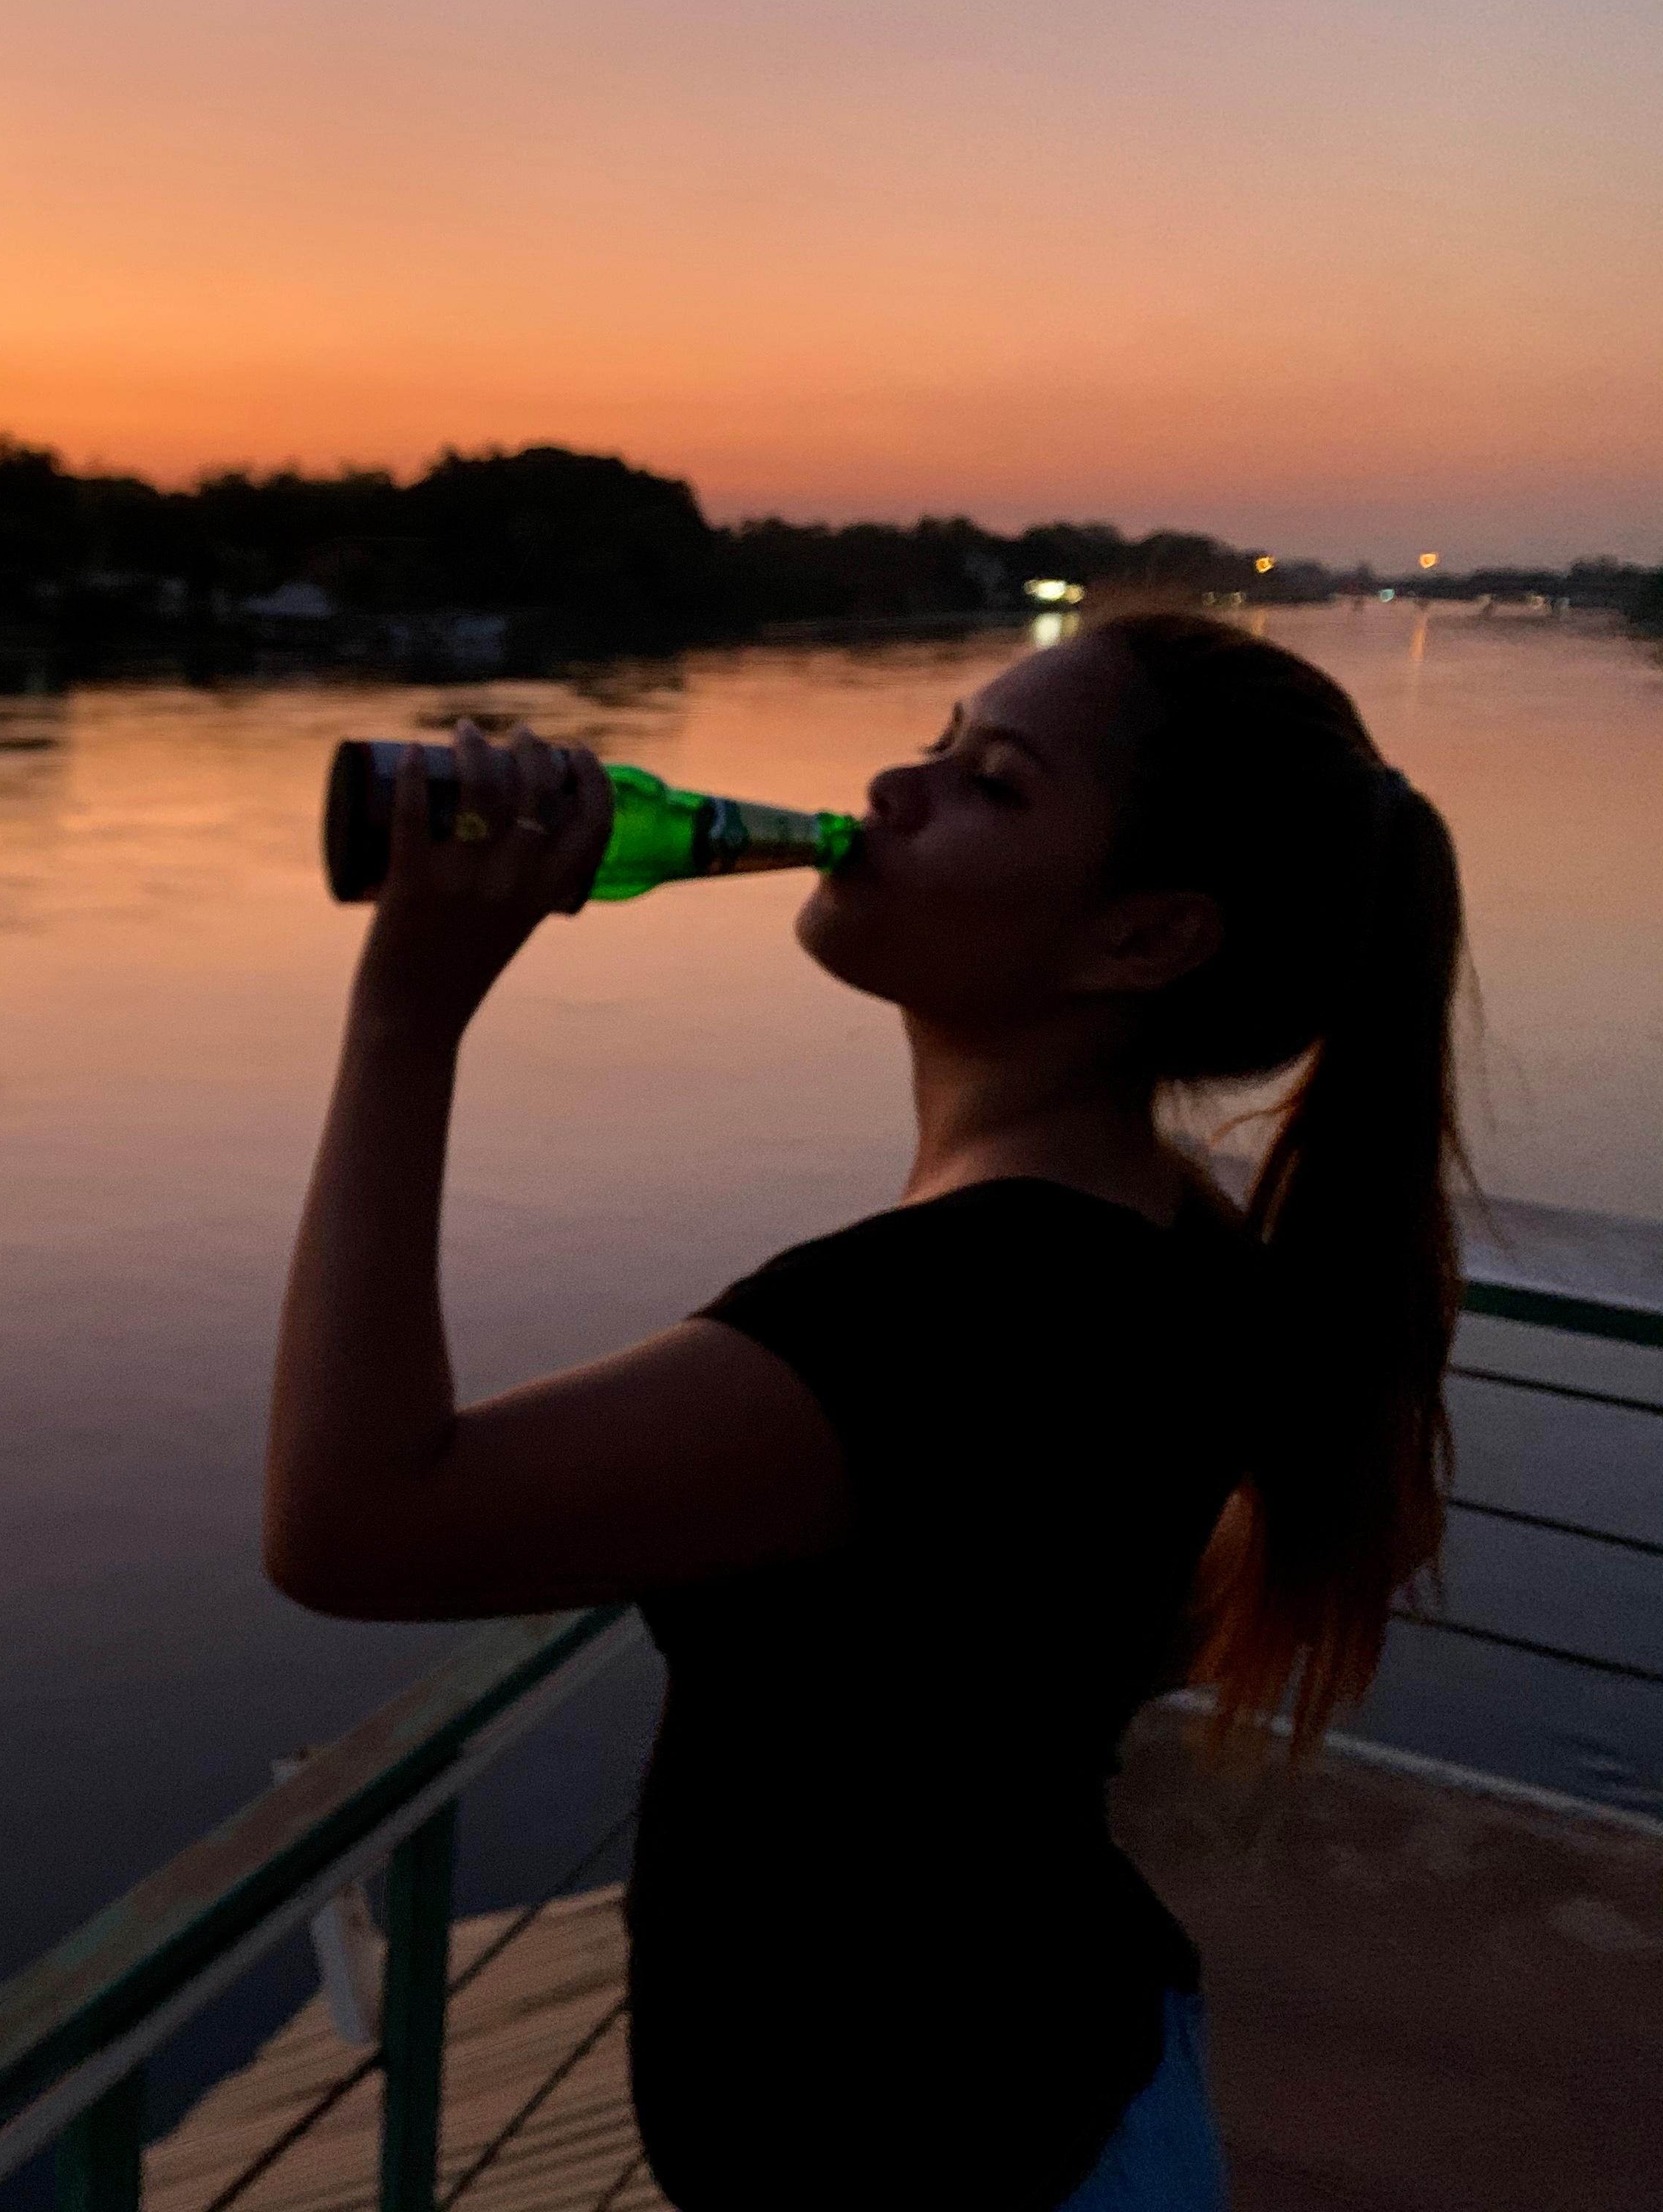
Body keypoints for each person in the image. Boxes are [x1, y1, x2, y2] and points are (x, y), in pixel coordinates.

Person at [262, 612, 1469, 2211]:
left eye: (994, 784)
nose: (895, 790)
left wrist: (408, 1015)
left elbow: (354, 1527)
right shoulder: (1150, 1234)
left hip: (961, 2147)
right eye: (941, 736)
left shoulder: (961, 1311)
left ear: (1147, 940)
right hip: (1055, 2086)